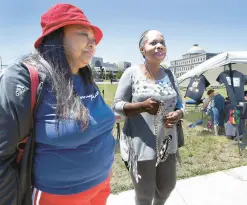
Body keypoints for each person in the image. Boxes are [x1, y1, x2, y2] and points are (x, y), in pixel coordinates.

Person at [0, 4, 115, 205]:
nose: (92, 44)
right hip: (57, 196)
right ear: (56, 36)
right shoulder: (26, 78)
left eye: (94, 40)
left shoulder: (86, 77)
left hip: (101, 185)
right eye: (84, 34)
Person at [113, 30, 184, 205]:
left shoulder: (170, 75)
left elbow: (181, 104)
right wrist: (141, 106)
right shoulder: (131, 73)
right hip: (140, 146)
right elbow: (116, 105)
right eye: (153, 43)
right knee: (144, 193)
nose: (159, 45)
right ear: (142, 49)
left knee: (167, 187)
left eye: (162, 42)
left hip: (168, 142)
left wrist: (178, 114)